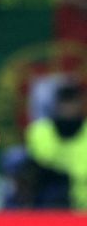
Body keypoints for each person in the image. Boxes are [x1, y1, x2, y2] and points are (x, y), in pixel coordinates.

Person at [26, 80, 87, 209]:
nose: (68, 108)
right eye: (64, 102)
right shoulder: (40, 131)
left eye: (72, 101)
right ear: (56, 105)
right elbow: (39, 165)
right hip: (49, 198)